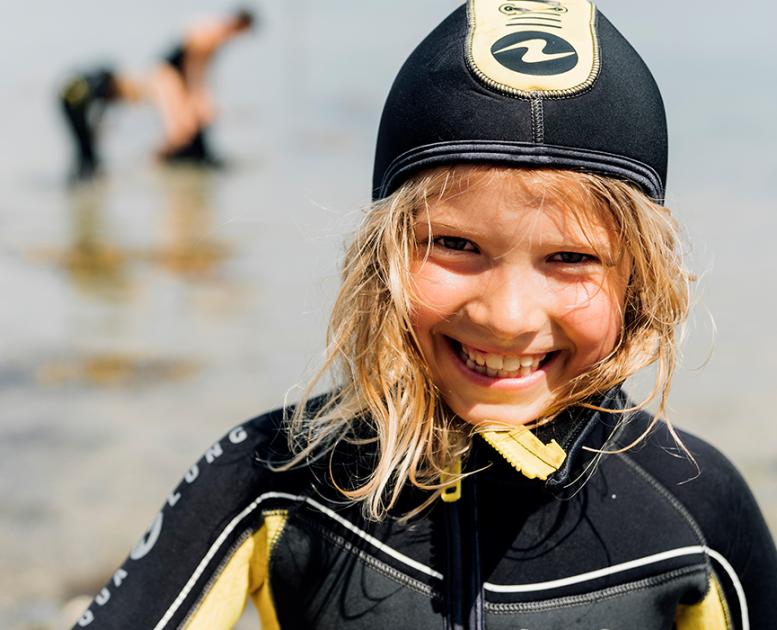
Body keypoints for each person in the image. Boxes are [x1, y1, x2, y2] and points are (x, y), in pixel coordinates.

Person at [72, 1, 777, 628]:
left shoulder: (697, 509)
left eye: (569, 259)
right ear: (379, 257)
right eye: (455, 245)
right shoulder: (273, 478)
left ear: (640, 281)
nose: (506, 316)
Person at [149, 8, 255, 166]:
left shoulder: (218, 34)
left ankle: (174, 165)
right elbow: (194, 68)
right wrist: (198, 98)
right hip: (167, 75)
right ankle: (156, 162)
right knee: (181, 128)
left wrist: (203, 99)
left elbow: (202, 70)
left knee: (191, 123)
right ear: (241, 25)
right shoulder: (211, 33)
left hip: (179, 77)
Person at [59, 67, 142, 181]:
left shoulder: (107, 81)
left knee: (85, 146)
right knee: (85, 145)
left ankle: (83, 177)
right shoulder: (107, 82)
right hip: (73, 102)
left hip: (70, 100)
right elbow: (97, 113)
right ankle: (83, 179)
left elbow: (98, 116)